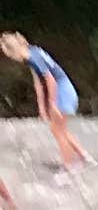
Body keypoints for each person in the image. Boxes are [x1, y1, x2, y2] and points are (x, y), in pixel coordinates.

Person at [0, 33, 84, 166]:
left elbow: (51, 81)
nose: (12, 58)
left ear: (14, 51)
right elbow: (38, 83)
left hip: (63, 89)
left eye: (10, 55)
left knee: (57, 130)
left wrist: (52, 105)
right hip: (62, 88)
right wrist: (42, 108)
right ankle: (83, 156)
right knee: (60, 128)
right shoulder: (31, 53)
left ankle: (70, 166)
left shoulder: (34, 58)